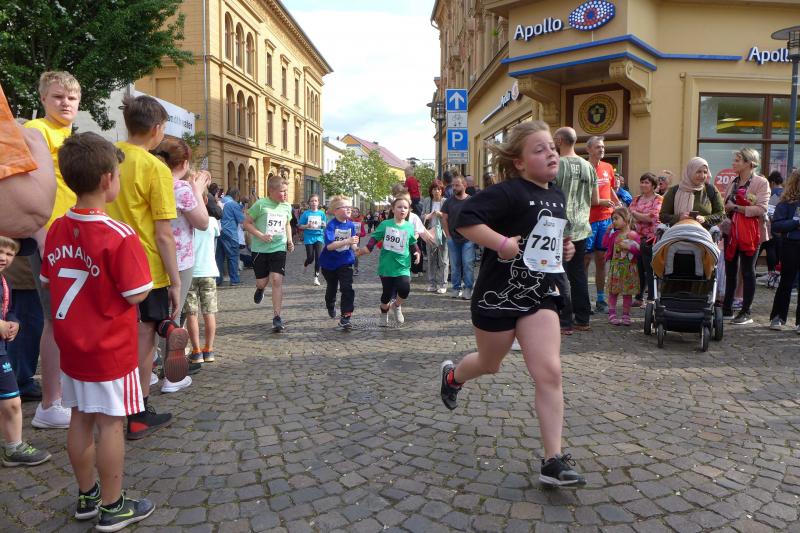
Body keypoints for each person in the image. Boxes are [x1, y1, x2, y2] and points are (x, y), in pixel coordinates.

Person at [438, 120, 584, 488]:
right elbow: (463, 219)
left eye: (552, 147)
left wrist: (564, 249)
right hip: (498, 294)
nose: (550, 153)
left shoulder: (557, 195)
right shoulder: (507, 192)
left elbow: (548, 240)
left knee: (549, 371)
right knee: (490, 363)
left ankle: (553, 460)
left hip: (541, 294)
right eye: (539, 149)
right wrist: (501, 243)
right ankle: (453, 377)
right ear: (518, 162)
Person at [41, 132, 156, 529]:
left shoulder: (57, 228)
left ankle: (87, 494)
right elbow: (137, 292)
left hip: (72, 346)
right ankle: (113, 504)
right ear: (108, 179)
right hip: (109, 349)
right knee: (110, 423)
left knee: (80, 417)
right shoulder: (119, 234)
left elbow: (49, 278)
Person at [105, 95, 186, 440]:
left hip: (104, 264)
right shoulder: (155, 168)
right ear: (156, 129)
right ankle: (138, 414)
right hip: (144, 267)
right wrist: (175, 281)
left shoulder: (108, 157)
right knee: (143, 343)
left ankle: (107, 406)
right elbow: (163, 232)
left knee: (111, 339)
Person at [25, 72, 83, 430]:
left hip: (74, 237)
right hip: (52, 239)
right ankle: (50, 403)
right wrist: (42, 236)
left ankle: (64, 392)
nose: (65, 103)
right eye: (58, 96)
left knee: (70, 318)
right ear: (44, 98)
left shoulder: (69, 137)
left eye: (72, 98)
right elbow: (23, 186)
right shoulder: (36, 131)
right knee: (55, 319)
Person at [152, 136, 210, 392]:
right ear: (184, 162)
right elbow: (203, 222)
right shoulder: (181, 189)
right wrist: (196, 188)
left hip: (151, 254)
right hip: (180, 259)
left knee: (151, 314)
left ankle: (148, 369)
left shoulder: (152, 181)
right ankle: (171, 375)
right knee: (172, 314)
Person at [0, 236, 51, 467]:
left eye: (10, 254)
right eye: (0, 251)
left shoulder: (5, 282)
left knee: (12, 401)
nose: (4, 258)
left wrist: (13, 322)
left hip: (2, 352)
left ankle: (14, 447)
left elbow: (8, 309)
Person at [553, 127, 596, 333]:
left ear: (559, 141)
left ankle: (565, 321)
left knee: (560, 273)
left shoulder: (556, 164)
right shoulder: (589, 166)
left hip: (559, 227)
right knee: (578, 273)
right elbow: (595, 199)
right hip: (581, 226)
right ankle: (583, 318)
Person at [356, 194, 420, 326]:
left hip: (403, 265)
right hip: (387, 266)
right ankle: (384, 313)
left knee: (404, 289)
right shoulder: (385, 224)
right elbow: (373, 240)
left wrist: (417, 252)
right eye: (399, 207)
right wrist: (363, 250)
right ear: (393, 209)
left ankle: (396, 306)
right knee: (386, 295)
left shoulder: (409, 226)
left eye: (405, 208)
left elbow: (412, 242)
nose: (402, 210)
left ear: (409, 210)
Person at [722, 148, 770, 325]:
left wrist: (736, 208)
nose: (733, 163)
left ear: (749, 163)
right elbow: (725, 205)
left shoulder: (760, 182)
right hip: (731, 232)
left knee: (748, 271)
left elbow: (762, 208)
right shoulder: (733, 182)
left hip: (751, 233)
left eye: (738, 160)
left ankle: (745, 311)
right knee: (730, 271)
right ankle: (727, 308)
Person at [245, 174, 294, 332]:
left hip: (278, 248)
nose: (285, 194)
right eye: (282, 191)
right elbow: (247, 223)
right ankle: (260, 289)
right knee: (262, 282)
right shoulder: (260, 204)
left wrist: (289, 240)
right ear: (271, 191)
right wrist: (261, 235)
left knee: (276, 280)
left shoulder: (286, 206)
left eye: (286, 191)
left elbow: (287, 224)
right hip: (260, 249)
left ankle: (277, 317)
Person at [184, 189, 220, 366]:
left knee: (191, 313)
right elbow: (215, 241)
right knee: (209, 312)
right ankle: (209, 349)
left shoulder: (185, 221)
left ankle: (196, 350)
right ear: (205, 200)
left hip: (189, 272)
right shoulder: (212, 222)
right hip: (208, 270)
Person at [585, 136, 619, 313]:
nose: (601, 149)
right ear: (589, 149)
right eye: (598, 147)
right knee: (585, 260)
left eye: (603, 147)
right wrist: (601, 202)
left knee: (601, 259)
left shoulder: (607, 167)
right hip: (588, 220)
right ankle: (583, 299)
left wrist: (618, 203)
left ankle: (600, 299)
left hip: (605, 220)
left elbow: (610, 188)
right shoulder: (584, 167)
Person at [319, 196, 359, 329]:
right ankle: (330, 304)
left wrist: (356, 248)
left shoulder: (351, 225)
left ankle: (346, 316)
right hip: (329, 263)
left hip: (345, 261)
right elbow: (330, 246)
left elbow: (353, 242)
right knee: (332, 287)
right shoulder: (331, 225)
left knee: (347, 287)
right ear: (336, 211)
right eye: (345, 207)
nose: (349, 209)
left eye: (350, 207)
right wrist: (347, 241)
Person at [768, 169, 800, 332]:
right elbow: (776, 225)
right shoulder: (786, 202)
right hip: (791, 244)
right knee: (786, 281)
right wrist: (795, 222)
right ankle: (778, 316)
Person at [659, 157, 725, 229]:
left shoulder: (710, 190)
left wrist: (705, 219)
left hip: (704, 234)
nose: (702, 176)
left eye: (705, 172)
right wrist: (679, 218)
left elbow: (721, 215)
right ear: (690, 171)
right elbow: (663, 216)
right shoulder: (674, 191)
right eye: (698, 171)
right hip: (677, 233)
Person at [602, 207, 640, 325]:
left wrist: (629, 247)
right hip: (616, 268)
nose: (613, 221)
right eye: (612, 219)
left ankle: (626, 315)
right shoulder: (615, 235)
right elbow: (604, 244)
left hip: (629, 268)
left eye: (616, 218)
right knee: (613, 292)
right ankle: (612, 314)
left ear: (626, 219)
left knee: (627, 293)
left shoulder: (633, 235)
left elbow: (638, 250)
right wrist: (607, 232)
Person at [630, 173, 663, 305]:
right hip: (636, 237)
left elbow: (652, 217)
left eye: (647, 182)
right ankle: (639, 297)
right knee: (638, 268)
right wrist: (640, 216)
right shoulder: (636, 199)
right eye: (642, 182)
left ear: (653, 185)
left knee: (649, 268)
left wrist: (635, 214)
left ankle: (652, 297)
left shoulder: (658, 199)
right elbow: (629, 215)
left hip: (651, 238)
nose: (643, 185)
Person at [441, 175, 475, 300]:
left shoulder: (471, 201)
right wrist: (448, 236)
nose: (454, 188)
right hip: (453, 238)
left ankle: (468, 288)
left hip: (468, 239)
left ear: (464, 185)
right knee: (455, 265)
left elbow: (476, 219)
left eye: (457, 185)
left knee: (467, 264)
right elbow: (444, 219)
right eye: (453, 185)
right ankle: (456, 288)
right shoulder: (448, 202)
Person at [422, 180, 449, 294]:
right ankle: (432, 283)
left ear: (442, 191)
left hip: (443, 233)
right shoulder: (427, 201)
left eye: (438, 189)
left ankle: (443, 284)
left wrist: (440, 214)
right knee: (431, 259)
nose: (436, 191)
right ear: (431, 191)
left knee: (443, 260)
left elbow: (449, 216)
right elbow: (422, 215)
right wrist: (427, 216)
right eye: (434, 189)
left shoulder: (446, 201)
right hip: (430, 233)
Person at [758, 171, 784, 287]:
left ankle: (751, 269)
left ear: (772, 182)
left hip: (767, 224)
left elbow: (766, 210)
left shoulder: (770, 193)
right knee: (773, 249)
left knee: (762, 248)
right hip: (781, 228)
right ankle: (772, 273)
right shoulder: (786, 193)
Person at [216, 188, 244, 286]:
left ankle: (218, 280)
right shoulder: (233, 204)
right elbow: (242, 220)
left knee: (219, 258)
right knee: (233, 256)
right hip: (230, 233)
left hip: (218, 232)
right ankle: (234, 280)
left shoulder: (219, 201)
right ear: (236, 195)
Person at [298, 195, 326, 286]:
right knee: (310, 258)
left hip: (319, 237)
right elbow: (299, 226)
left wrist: (324, 225)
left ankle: (316, 278)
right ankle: (305, 264)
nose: (314, 202)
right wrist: (306, 226)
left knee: (319, 258)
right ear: (309, 203)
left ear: (318, 202)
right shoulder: (306, 213)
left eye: (315, 201)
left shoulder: (322, 213)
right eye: (312, 201)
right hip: (309, 237)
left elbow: (324, 225)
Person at [350, 206, 367, 275]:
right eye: (353, 211)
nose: (355, 213)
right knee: (348, 253)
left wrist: (360, 234)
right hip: (348, 239)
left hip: (356, 240)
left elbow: (364, 233)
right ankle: (348, 267)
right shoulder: (347, 221)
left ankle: (355, 268)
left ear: (358, 213)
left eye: (356, 212)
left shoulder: (360, 222)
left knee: (355, 254)